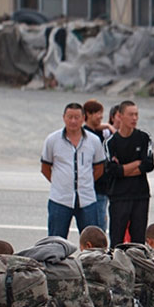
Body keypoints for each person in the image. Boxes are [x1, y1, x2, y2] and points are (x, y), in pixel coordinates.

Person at [40, 102, 106, 239]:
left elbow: (99, 167)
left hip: (87, 199)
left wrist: (86, 181)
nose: (73, 121)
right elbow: (45, 167)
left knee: (92, 241)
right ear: (64, 117)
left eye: (77, 117)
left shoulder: (93, 140)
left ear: (83, 118)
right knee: (55, 241)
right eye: (70, 117)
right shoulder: (52, 140)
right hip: (60, 199)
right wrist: (59, 182)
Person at [106, 100, 154, 246]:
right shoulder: (110, 142)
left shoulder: (144, 138)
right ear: (120, 116)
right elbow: (112, 170)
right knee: (116, 239)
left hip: (140, 194)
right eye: (131, 114)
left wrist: (124, 168)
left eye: (136, 115)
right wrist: (135, 164)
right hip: (119, 195)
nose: (134, 118)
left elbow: (148, 164)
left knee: (138, 240)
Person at [83, 99, 112, 231]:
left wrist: (109, 127)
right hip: (95, 187)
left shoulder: (102, 133)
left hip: (102, 186)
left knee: (101, 223)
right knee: (97, 225)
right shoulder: (86, 135)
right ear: (88, 114)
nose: (101, 117)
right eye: (98, 113)